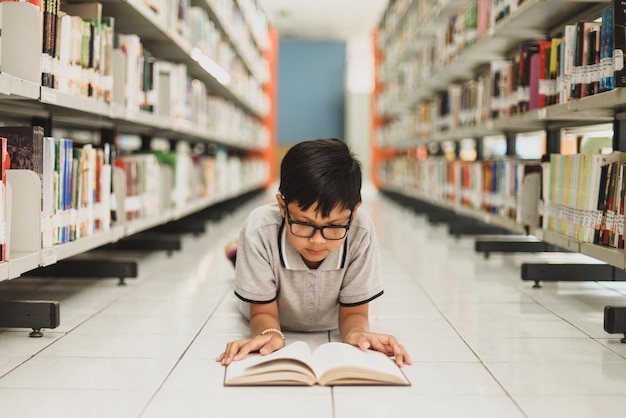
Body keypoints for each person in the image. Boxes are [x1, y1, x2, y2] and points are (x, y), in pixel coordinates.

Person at [216, 138, 412, 367]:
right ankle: (238, 255)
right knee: (248, 260)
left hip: (330, 318)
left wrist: (358, 333)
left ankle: (239, 254)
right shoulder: (258, 229)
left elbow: (353, 315)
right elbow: (261, 313)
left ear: (354, 212)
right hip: (267, 307)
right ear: (282, 207)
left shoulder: (360, 228)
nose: (317, 240)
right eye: (304, 224)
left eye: (334, 225)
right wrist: (268, 333)